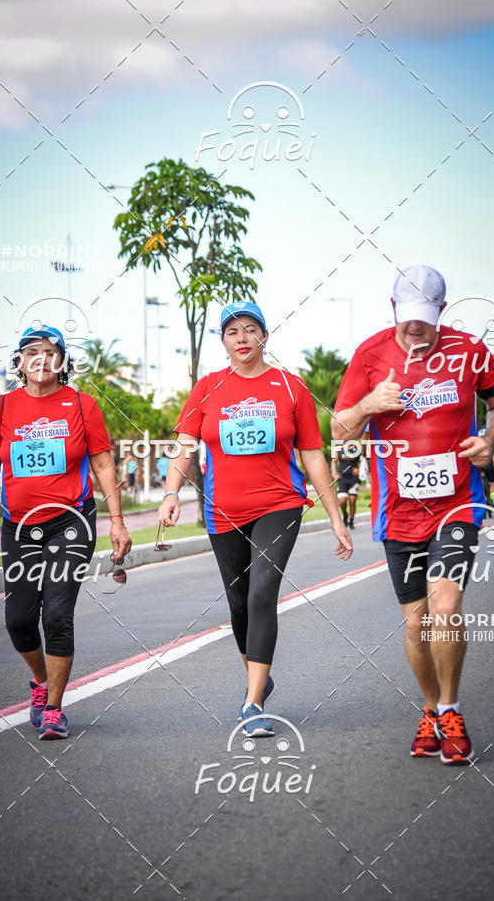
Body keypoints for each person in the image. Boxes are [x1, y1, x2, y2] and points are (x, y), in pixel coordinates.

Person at [332, 265, 494, 764]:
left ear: (442, 311)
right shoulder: (369, 356)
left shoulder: (469, 351)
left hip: (457, 503)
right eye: (409, 318)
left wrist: (492, 439)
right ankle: (430, 710)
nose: (417, 328)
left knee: (445, 607)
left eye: (426, 319)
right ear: (394, 309)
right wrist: (371, 402)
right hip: (398, 511)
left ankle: (451, 710)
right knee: (416, 626)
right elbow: (339, 431)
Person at [158, 300, 352, 737]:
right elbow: (186, 447)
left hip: (280, 503)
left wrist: (335, 514)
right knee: (240, 603)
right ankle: (259, 680)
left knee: (263, 592)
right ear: (223, 341)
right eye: (232, 331)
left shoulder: (290, 386)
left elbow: (313, 454)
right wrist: (171, 492)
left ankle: (252, 703)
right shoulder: (207, 387)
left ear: (265, 335)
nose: (242, 338)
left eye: (250, 329)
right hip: (222, 509)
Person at [0, 325, 131, 739]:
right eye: (31, 352)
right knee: (18, 621)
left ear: (62, 362)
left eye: (50, 351)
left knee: (57, 613)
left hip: (70, 522)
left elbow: (103, 464)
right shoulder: (2, 408)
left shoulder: (81, 404)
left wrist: (116, 521)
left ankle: (55, 708)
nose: (41, 358)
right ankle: (41, 683)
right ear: (19, 363)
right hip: (19, 525)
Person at [330, 444, 361, 529]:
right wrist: (334, 472)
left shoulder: (357, 449)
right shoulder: (338, 448)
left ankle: (351, 521)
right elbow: (334, 461)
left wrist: (360, 469)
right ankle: (345, 514)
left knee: (352, 500)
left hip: (354, 479)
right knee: (342, 501)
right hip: (342, 478)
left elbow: (363, 461)